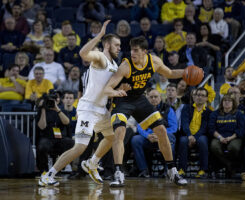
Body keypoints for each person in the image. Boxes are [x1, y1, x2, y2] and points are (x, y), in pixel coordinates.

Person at [38, 20, 122, 186]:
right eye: (116, 45)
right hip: (88, 109)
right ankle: (48, 175)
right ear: (107, 45)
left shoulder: (114, 64)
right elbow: (84, 53)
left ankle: (92, 163)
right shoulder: (100, 58)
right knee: (80, 147)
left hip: (101, 110)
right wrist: (99, 35)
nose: (119, 48)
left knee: (112, 138)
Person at [104, 36, 187, 187]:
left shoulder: (154, 62)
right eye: (131, 50)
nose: (132, 53)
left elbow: (169, 73)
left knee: (161, 130)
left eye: (136, 50)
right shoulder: (126, 66)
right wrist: (117, 92)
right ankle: (118, 172)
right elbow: (107, 88)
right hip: (122, 100)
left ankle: (172, 170)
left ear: (145, 52)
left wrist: (186, 72)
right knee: (120, 132)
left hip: (140, 100)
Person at [131, 89, 177, 177]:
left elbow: (174, 128)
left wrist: (160, 135)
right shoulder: (143, 109)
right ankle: (144, 170)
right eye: (151, 97)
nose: (153, 99)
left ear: (160, 98)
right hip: (149, 138)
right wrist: (147, 136)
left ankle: (169, 169)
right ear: (147, 99)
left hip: (164, 136)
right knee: (135, 140)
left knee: (171, 137)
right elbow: (139, 127)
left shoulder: (168, 109)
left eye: (156, 97)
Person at [178, 87, 211, 178]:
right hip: (187, 134)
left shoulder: (208, 112)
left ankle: (203, 170)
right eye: (197, 95)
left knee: (203, 141)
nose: (199, 97)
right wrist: (189, 135)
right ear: (193, 97)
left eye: (202, 95)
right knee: (183, 141)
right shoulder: (186, 108)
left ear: (206, 98)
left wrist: (195, 137)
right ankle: (182, 169)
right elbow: (184, 123)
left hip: (201, 135)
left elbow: (204, 128)